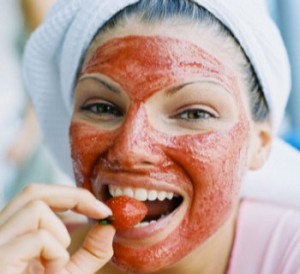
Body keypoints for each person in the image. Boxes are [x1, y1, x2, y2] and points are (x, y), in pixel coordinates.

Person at [0, 0, 299, 273]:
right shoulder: (30, 262)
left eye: (193, 114)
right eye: (103, 108)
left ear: (260, 144)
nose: (130, 150)